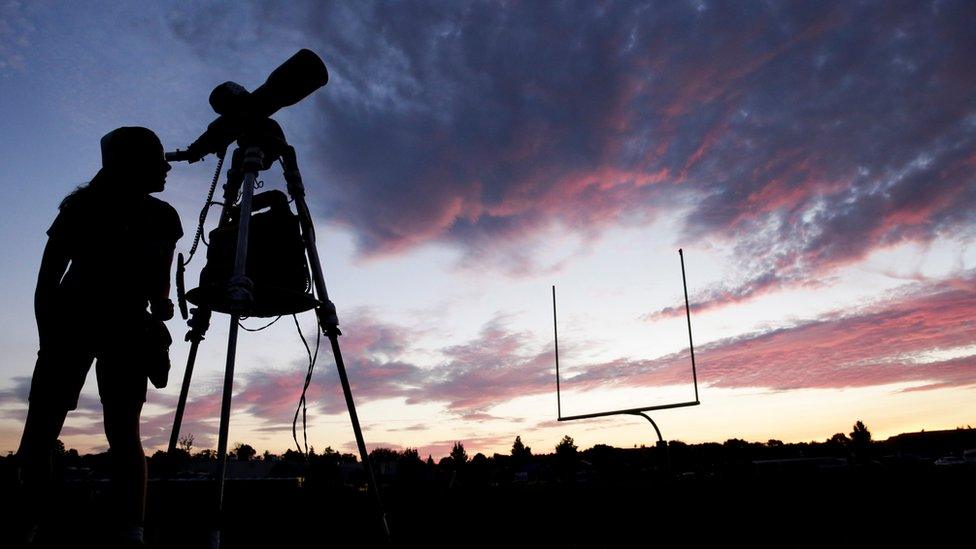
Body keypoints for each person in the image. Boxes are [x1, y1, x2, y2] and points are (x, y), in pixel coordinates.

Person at [15, 126, 183, 546]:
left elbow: (158, 281)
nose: (166, 166)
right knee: (44, 432)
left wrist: (161, 306)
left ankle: (127, 530)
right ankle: (33, 524)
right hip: (76, 325)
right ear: (131, 164)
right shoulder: (83, 208)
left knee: (117, 430)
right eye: (157, 158)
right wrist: (48, 340)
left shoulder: (161, 216)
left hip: (119, 327)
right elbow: (47, 281)